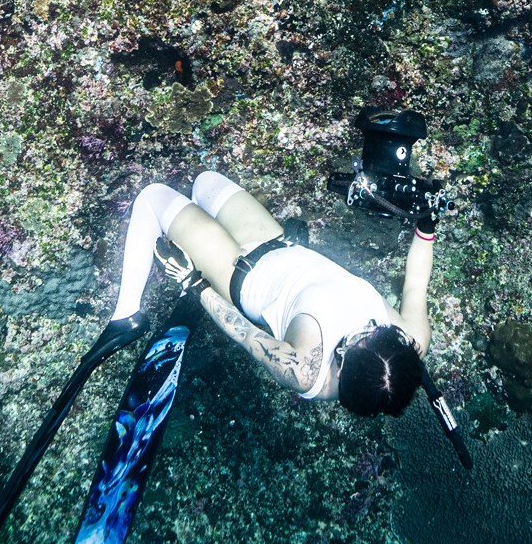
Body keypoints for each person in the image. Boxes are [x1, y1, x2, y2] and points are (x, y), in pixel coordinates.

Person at [110, 170, 437, 415]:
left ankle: (125, 316)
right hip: (277, 243)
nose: (360, 329)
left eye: (350, 344)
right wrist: (427, 223)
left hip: (239, 274)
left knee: (153, 198)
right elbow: (416, 282)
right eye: (373, 329)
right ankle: (195, 237)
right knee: (204, 183)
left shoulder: (304, 373)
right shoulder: (410, 337)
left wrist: (194, 283)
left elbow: (245, 333)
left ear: (342, 367)